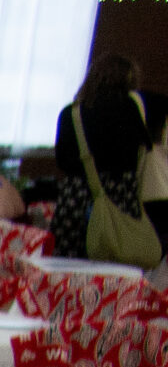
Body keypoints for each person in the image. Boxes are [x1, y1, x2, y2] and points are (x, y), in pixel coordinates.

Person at [53, 54, 167, 260]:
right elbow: (144, 149)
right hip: (120, 196)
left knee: (69, 261)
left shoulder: (71, 113)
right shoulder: (131, 110)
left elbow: (62, 160)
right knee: (116, 260)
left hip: (78, 197)